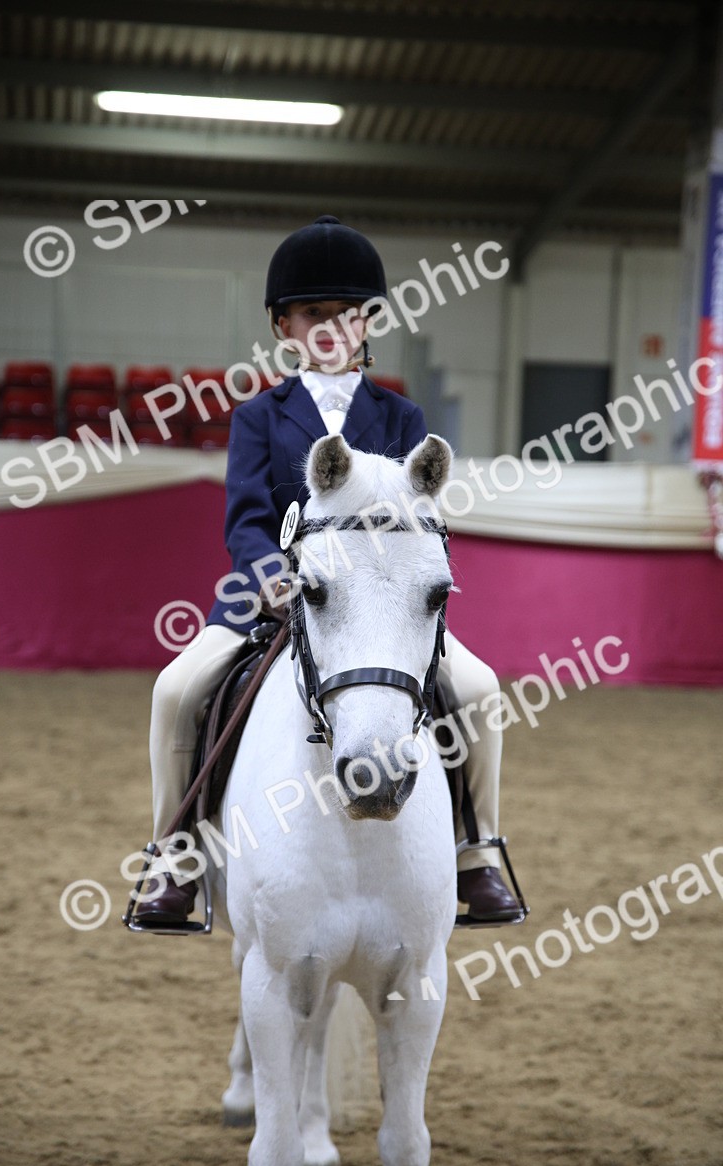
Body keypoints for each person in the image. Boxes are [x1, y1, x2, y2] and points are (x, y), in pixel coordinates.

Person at [135, 215, 522, 925]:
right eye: (314, 314)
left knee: (477, 687)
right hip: (273, 599)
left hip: (376, 605)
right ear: (285, 326)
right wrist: (268, 576)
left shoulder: (401, 416)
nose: (332, 328)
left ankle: (478, 853)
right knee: (175, 689)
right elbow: (246, 519)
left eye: (347, 314)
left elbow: (421, 518)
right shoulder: (260, 417)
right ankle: (172, 857)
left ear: (367, 321)